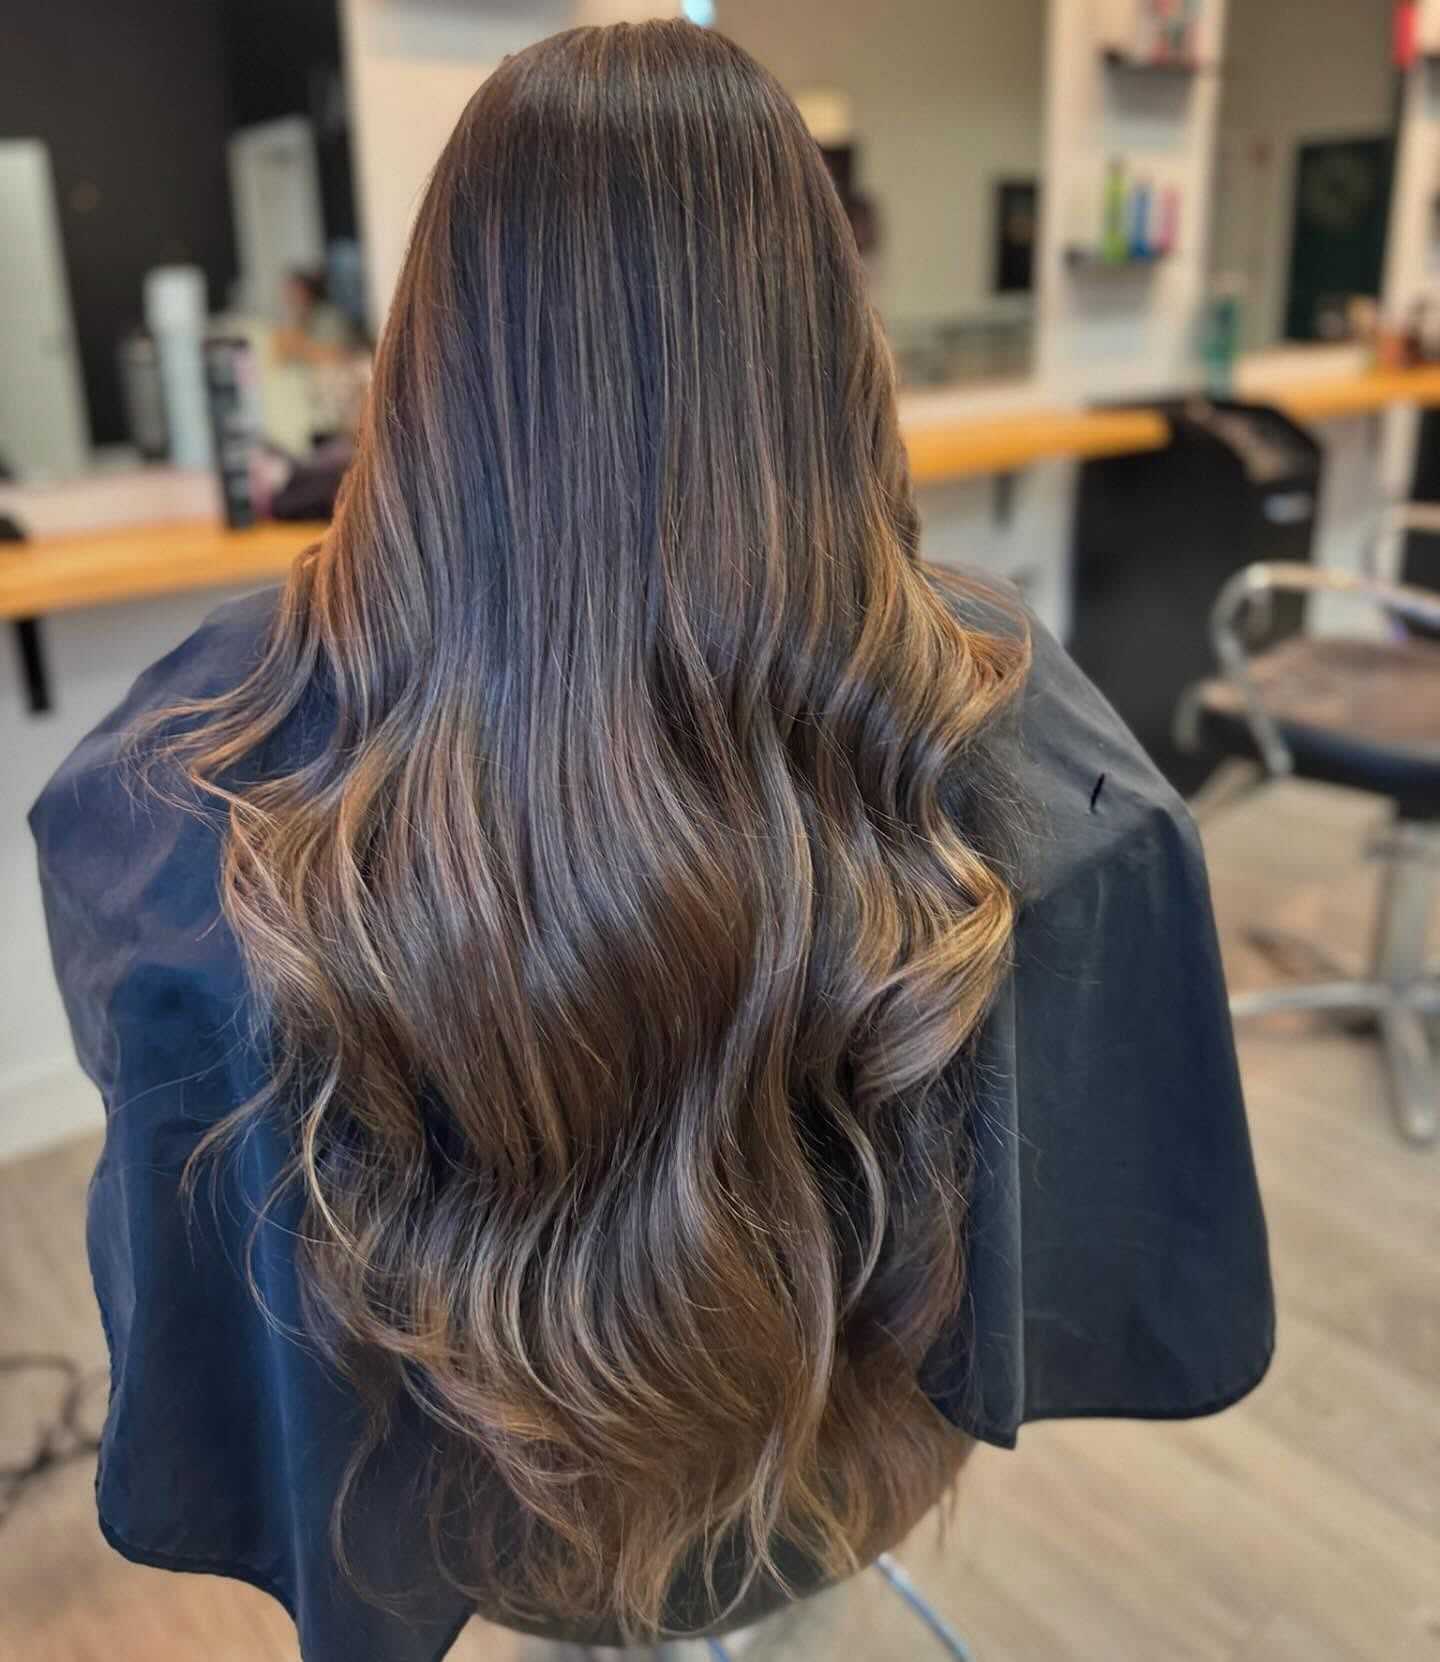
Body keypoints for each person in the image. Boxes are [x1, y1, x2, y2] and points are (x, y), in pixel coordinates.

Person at [30, 22, 1272, 1662]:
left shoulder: (193, 771)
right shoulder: (1006, 712)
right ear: (823, 346)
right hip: (842, 1474)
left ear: (441, 348)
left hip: (483, 1498)